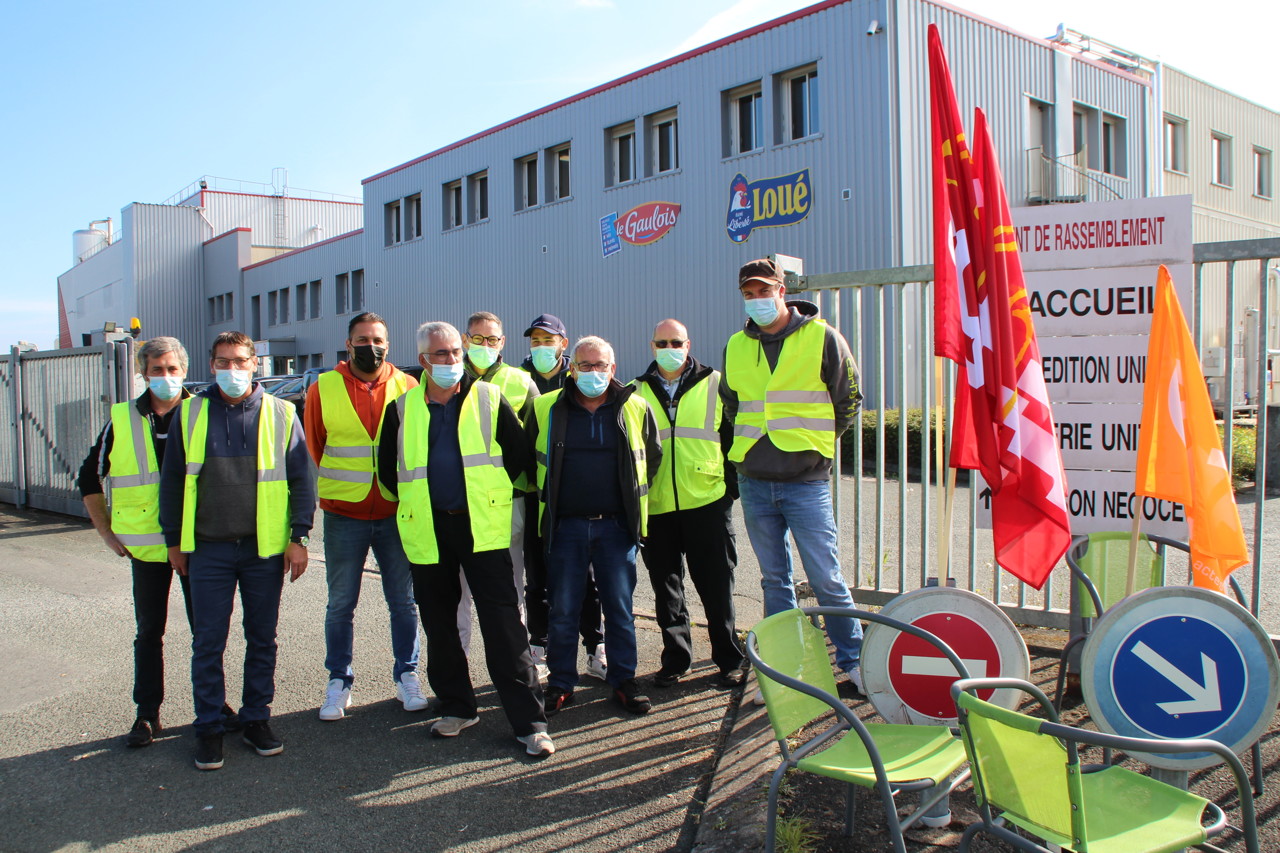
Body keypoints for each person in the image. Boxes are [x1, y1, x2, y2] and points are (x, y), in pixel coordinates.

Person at [377, 322, 553, 759]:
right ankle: (457, 706)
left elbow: (519, 457)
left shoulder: (489, 398)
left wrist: (488, 497)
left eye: (456, 351)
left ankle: (530, 722)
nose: (453, 359)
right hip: (429, 529)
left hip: (482, 529)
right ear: (423, 361)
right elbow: (388, 474)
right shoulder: (400, 409)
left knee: (504, 626)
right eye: (442, 354)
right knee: (440, 625)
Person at [160, 331, 315, 771]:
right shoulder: (190, 412)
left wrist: (299, 537)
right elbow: (172, 482)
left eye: (241, 361)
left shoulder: (282, 412)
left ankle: (256, 718)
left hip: (262, 550)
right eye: (224, 362)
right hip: (207, 549)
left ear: (254, 364)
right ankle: (209, 727)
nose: (233, 370)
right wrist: (173, 540)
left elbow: (302, 481)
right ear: (211, 365)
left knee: (262, 638)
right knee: (208, 642)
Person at [79, 336, 239, 748]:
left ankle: (215, 705)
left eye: (172, 369)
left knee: (207, 633)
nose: (165, 377)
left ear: (185, 371)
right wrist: (106, 531)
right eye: (156, 370)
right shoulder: (122, 419)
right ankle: (147, 713)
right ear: (143, 374)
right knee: (149, 632)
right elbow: (88, 477)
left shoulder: (205, 411)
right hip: (148, 548)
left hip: (196, 543)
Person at [722, 258, 865, 692]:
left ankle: (855, 662)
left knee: (826, 579)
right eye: (749, 294)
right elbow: (732, 404)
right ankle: (785, 669)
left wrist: (817, 445)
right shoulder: (736, 345)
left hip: (805, 482)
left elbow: (849, 399)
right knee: (775, 581)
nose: (757, 300)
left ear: (782, 291)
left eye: (764, 291)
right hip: (755, 481)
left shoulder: (822, 337)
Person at [528, 336, 661, 716]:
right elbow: (527, 459)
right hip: (565, 528)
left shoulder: (635, 406)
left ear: (612, 368)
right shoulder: (545, 407)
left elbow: (651, 457)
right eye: (584, 365)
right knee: (563, 610)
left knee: (620, 610)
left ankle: (624, 680)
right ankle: (560, 683)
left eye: (600, 365)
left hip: (616, 529)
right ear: (572, 369)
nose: (592, 372)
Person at [304, 312, 427, 722]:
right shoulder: (323, 388)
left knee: (403, 601)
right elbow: (316, 446)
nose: (370, 347)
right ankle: (339, 680)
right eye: (362, 340)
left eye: (377, 340)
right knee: (341, 603)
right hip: (344, 514)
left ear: (387, 345)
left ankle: (407, 674)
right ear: (348, 344)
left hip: (395, 512)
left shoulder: (408, 385)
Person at [633, 319, 745, 689]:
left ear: (688, 344)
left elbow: (734, 438)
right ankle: (676, 659)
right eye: (662, 343)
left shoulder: (715, 383)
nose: (670, 349)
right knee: (667, 590)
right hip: (658, 505)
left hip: (707, 503)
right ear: (652, 347)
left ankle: (729, 659)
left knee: (717, 587)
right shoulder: (635, 391)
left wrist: (729, 492)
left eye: (676, 342)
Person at [517, 314, 607, 682]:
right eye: (535, 340)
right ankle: (539, 646)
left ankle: (596, 647)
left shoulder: (580, 376)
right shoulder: (518, 379)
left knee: (586, 578)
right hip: (535, 496)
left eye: (548, 340)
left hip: (577, 499)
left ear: (563, 344)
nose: (541, 346)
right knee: (537, 577)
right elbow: (522, 445)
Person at [458, 311, 539, 652]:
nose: (485, 345)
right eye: (478, 338)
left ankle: (516, 661)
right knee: (457, 593)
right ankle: (458, 662)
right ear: (466, 340)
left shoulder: (521, 382)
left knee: (510, 588)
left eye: (492, 339)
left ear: (502, 342)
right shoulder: (447, 378)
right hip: (459, 503)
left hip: (507, 503)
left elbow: (534, 443)